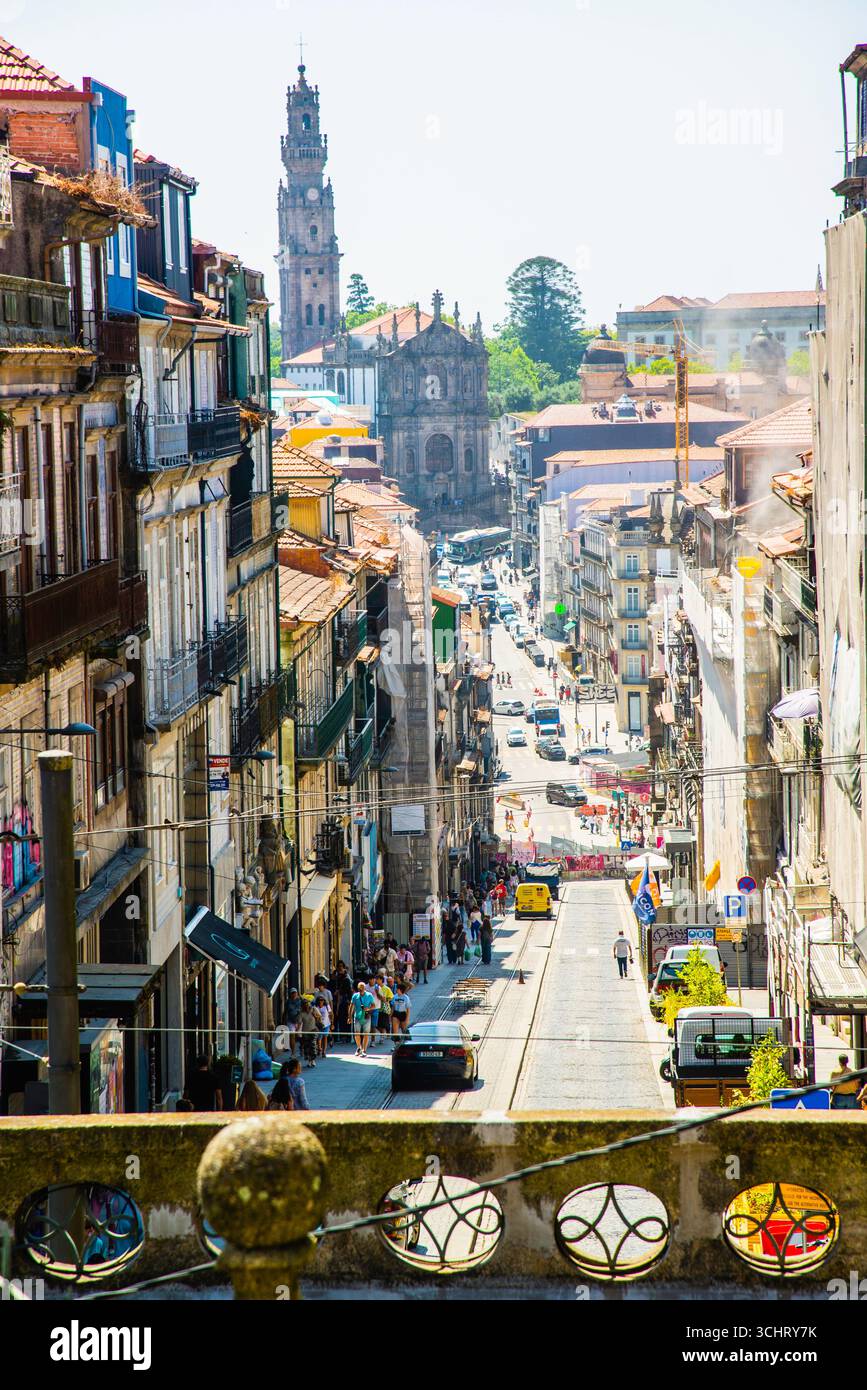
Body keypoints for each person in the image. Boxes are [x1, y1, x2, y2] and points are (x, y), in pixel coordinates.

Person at [350, 978, 375, 1056]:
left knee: (366, 1034)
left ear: (364, 988)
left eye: (362, 988)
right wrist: (349, 1016)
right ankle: (359, 1048)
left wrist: (368, 1008)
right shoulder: (355, 996)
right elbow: (351, 1006)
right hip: (357, 1016)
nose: (361, 989)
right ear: (358, 988)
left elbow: (373, 1005)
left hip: (366, 1016)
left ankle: (364, 1049)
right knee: (357, 1034)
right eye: (360, 988)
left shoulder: (369, 995)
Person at [298, 998, 320, 1068]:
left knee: (313, 1045)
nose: (307, 1006)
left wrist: (315, 1015)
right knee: (307, 1047)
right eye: (305, 1004)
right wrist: (297, 1031)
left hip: (313, 1030)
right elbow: (299, 1023)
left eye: (307, 1004)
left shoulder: (313, 1009)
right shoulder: (301, 1013)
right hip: (305, 1032)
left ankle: (313, 1060)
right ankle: (309, 1061)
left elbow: (319, 1017)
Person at [283, 988, 303, 1056]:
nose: (294, 994)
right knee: (292, 1036)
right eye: (292, 993)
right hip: (290, 1021)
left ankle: (301, 1048)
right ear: (290, 994)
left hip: (299, 1021)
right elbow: (285, 1011)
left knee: (300, 1037)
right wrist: (283, 1021)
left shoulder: (300, 1001)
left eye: (295, 993)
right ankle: (293, 1052)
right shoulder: (288, 1002)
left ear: (297, 993)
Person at [314, 993, 331, 1058]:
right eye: (320, 1000)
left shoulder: (327, 1006)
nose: (321, 1001)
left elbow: (331, 1014)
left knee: (325, 1037)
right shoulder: (316, 1007)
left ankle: (323, 1051)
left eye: (322, 1000)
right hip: (318, 1025)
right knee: (319, 1038)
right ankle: (319, 1049)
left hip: (326, 1024)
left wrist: (332, 1023)